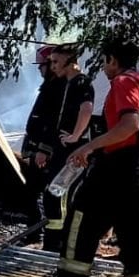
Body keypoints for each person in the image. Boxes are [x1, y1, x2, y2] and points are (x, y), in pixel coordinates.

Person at [57, 40, 139, 277]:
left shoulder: (123, 83)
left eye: (105, 61)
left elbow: (129, 124)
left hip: (117, 167)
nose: (104, 67)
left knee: (82, 219)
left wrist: (87, 148)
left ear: (113, 60)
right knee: (138, 232)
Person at [39, 45, 96, 253]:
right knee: (53, 193)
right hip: (61, 149)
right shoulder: (66, 84)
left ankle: (58, 243)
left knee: (58, 193)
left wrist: (75, 136)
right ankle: (53, 242)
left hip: (72, 152)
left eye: (56, 62)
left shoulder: (82, 82)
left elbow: (86, 109)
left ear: (70, 61)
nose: (53, 66)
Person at [20, 45, 63, 225]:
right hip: (37, 150)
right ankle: (36, 231)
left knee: (39, 193)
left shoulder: (57, 88)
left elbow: (52, 122)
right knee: (31, 192)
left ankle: (40, 233)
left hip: (44, 153)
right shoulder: (49, 87)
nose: (39, 68)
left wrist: (43, 149)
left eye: (42, 65)